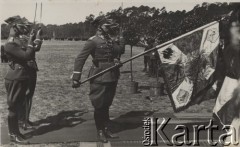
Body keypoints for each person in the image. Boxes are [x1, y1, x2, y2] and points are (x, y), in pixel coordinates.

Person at [71, 16, 125, 143]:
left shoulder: (110, 40)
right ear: (99, 27)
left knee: (107, 104)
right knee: (99, 105)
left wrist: (120, 37)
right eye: (107, 26)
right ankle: (100, 131)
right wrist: (76, 77)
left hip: (112, 74)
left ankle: (106, 128)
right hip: (99, 75)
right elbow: (80, 59)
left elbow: (119, 50)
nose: (109, 28)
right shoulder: (92, 41)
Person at [4, 16, 42, 144]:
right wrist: (31, 39)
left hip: (21, 76)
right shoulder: (10, 43)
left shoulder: (17, 41)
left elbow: (32, 50)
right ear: (14, 27)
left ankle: (17, 132)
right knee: (13, 107)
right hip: (15, 77)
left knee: (18, 105)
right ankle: (13, 134)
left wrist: (36, 38)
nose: (24, 28)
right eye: (21, 26)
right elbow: (27, 55)